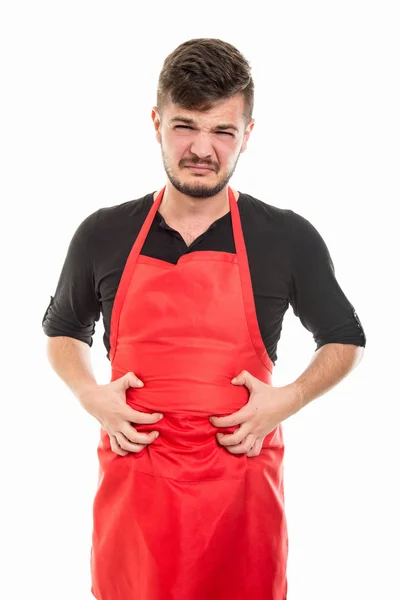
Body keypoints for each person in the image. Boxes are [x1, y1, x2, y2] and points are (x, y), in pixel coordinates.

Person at [42, 38, 366, 600]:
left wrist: (288, 399)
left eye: (222, 131)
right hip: (135, 501)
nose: (202, 148)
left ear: (248, 134)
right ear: (157, 122)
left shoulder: (286, 237)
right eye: (185, 126)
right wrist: (87, 393)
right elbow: (64, 328)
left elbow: (345, 338)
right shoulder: (102, 232)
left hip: (241, 502)